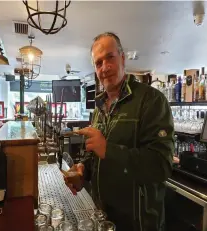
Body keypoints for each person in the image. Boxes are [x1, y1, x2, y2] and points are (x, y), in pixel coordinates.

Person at [64, 32, 174, 231]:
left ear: (123, 58)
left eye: (110, 58)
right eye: (98, 63)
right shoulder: (99, 106)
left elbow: (162, 165)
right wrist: (83, 170)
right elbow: (95, 155)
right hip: (102, 217)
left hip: (138, 223)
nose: (104, 68)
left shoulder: (151, 100)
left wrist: (108, 149)